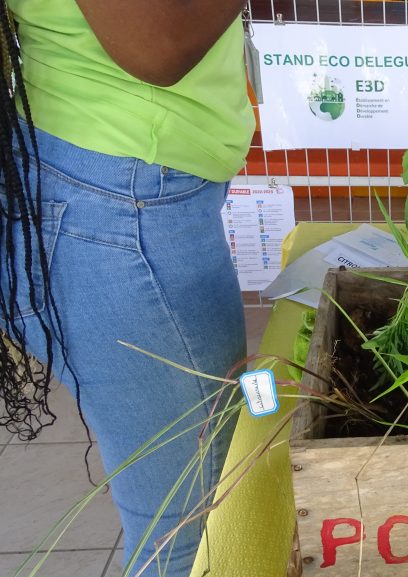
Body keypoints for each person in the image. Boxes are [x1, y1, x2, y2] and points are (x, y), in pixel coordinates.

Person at [1, 1, 254, 575]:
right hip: (118, 204)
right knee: (190, 526)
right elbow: (154, 46)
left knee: (202, 488)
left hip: (113, 186)